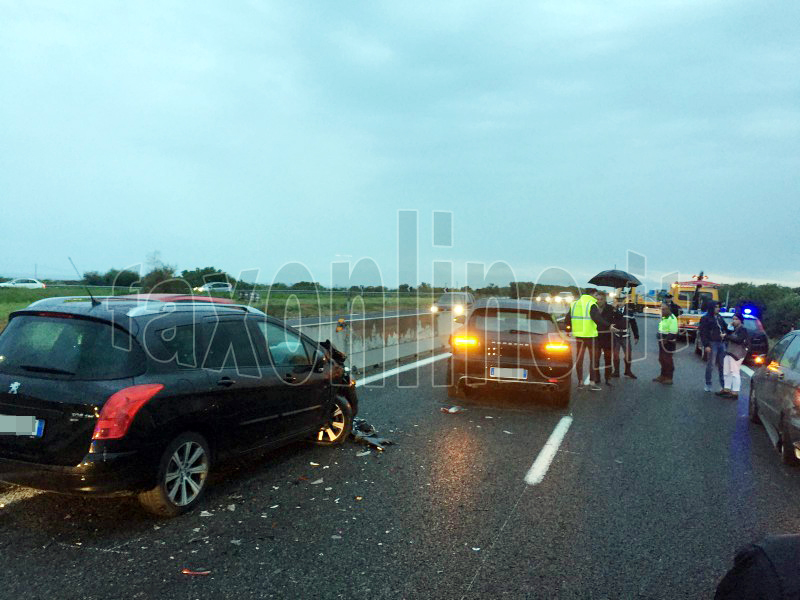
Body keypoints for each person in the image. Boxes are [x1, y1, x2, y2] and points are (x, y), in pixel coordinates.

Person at [566, 288, 615, 392]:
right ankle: (592, 383)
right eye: (596, 295)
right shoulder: (591, 304)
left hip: (579, 336)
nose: (596, 297)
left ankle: (580, 382)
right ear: (592, 294)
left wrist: (567, 330)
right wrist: (608, 325)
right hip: (590, 336)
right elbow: (596, 318)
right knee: (593, 359)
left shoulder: (574, 304)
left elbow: (567, 318)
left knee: (579, 359)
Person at [717, 312, 750, 399]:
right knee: (726, 371)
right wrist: (729, 327)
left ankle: (735, 392)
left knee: (735, 372)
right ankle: (726, 389)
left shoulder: (743, 329)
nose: (734, 321)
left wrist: (726, 336)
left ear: (740, 320)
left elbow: (738, 340)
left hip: (737, 353)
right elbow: (728, 332)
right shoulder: (735, 329)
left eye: (736, 319)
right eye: (733, 319)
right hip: (730, 351)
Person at [699, 301, 727, 392]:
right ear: (711, 307)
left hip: (721, 343)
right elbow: (703, 333)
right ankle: (708, 383)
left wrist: (726, 333)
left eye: (718, 307)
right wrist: (706, 345)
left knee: (722, 365)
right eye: (716, 307)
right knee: (711, 365)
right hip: (712, 343)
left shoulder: (719, 317)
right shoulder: (705, 318)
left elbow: (725, 327)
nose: (718, 308)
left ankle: (723, 385)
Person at [611, 295, 639, 378]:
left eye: (621, 301)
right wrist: (614, 310)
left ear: (624, 302)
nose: (620, 303)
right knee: (615, 355)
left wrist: (636, 336)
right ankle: (616, 372)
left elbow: (634, 325)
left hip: (625, 337)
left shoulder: (629, 312)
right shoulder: (612, 311)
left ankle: (628, 371)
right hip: (615, 337)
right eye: (618, 301)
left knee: (628, 355)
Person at [654, 303, 678, 384]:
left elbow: (673, 332)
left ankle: (669, 378)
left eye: (664, 309)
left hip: (668, 342)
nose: (662, 311)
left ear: (668, 309)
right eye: (661, 309)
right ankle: (663, 376)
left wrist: (666, 340)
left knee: (668, 360)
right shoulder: (665, 317)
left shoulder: (672, 318)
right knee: (661, 359)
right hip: (662, 341)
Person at [595, 291, 615, 386]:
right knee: (596, 359)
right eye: (597, 299)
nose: (599, 301)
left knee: (608, 359)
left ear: (605, 300)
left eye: (601, 299)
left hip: (607, 337)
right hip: (596, 337)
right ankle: (597, 378)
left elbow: (619, 319)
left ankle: (608, 378)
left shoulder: (611, 308)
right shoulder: (593, 308)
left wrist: (617, 309)